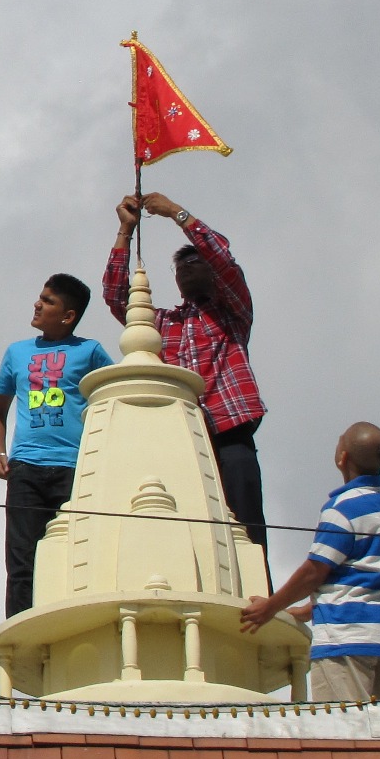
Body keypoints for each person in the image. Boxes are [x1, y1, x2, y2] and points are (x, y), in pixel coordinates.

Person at [104, 192, 267, 549]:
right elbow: (117, 297)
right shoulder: (162, 324)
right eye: (180, 266)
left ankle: (260, 600)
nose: (187, 268)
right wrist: (125, 232)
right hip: (182, 437)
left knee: (247, 526)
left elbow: (225, 262)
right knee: (189, 529)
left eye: (196, 262)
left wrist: (177, 214)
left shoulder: (231, 314)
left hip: (229, 430)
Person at [242, 422, 380, 703]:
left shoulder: (342, 508)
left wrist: (270, 607)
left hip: (345, 637)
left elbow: (315, 570)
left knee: (345, 732)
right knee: (376, 734)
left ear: (342, 458)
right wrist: (310, 609)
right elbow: (370, 574)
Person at [0, 274, 115, 618]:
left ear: (67, 316)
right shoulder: (17, 352)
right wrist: (1, 455)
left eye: (47, 301)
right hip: (26, 468)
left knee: (80, 554)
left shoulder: (89, 351)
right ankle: (21, 629)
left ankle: (80, 621)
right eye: (39, 297)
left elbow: (115, 395)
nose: (37, 304)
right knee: (21, 560)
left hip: (75, 468)